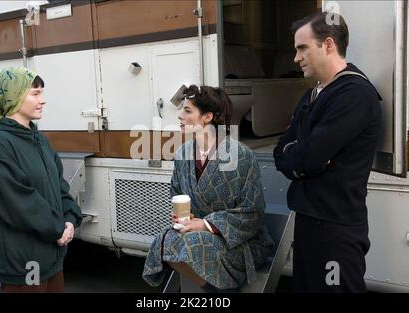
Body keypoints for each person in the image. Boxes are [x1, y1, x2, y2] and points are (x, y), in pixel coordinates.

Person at [273, 12, 382, 293]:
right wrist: (304, 156)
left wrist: (303, 155)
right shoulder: (312, 95)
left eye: (302, 48)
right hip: (309, 220)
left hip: (336, 229)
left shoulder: (355, 93)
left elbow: (308, 156)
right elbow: (281, 153)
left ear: (329, 45)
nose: (296, 58)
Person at [142, 85, 274, 292]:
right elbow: (177, 193)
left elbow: (253, 211)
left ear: (207, 117)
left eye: (187, 111)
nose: (180, 116)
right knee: (164, 240)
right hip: (196, 232)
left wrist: (205, 224)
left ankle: (220, 292)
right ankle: (215, 290)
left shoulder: (241, 155)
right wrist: (183, 217)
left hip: (239, 241)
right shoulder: (182, 153)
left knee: (191, 243)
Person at [0, 67, 82, 293]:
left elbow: (59, 186)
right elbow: (19, 202)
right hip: (24, 263)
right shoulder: (0, 145)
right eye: (35, 93)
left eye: (42, 93)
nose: (43, 100)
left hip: (51, 257)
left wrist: (70, 218)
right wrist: (58, 228)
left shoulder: (38, 139)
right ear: (14, 97)